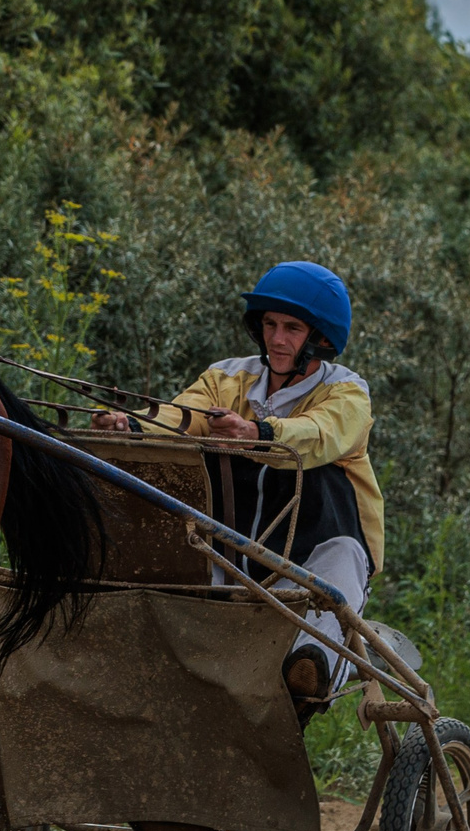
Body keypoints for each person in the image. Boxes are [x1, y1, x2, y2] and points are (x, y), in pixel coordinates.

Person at [90, 261, 383, 724]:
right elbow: (179, 415)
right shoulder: (226, 378)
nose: (276, 339)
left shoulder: (346, 392)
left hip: (310, 560)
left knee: (344, 558)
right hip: (229, 556)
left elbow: (321, 433)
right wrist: (132, 425)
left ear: (320, 339)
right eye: (269, 325)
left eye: (291, 328)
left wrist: (257, 431)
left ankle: (311, 669)